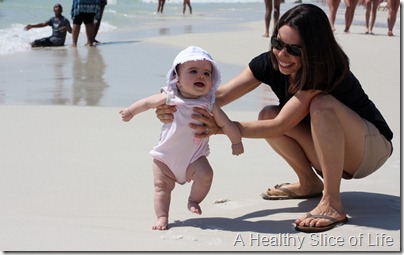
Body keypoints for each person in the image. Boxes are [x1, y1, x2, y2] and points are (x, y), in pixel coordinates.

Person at [155, 4, 393, 233]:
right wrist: (174, 103)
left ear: (314, 50)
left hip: (369, 149)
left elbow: (282, 126)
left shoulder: (323, 71)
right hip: (331, 149)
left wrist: (221, 129)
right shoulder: (271, 61)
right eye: (277, 43)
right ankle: (309, 183)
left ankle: (332, 202)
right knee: (267, 113)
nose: (282, 54)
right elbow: (220, 95)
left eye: (294, 50)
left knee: (321, 104)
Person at [120, 46, 244, 230]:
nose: (200, 76)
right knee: (161, 187)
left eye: (206, 73)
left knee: (206, 175)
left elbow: (226, 124)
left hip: (194, 159)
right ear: (177, 79)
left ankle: (194, 200)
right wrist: (130, 111)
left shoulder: (209, 105)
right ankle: (162, 217)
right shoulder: (168, 97)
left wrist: (236, 142)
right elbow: (146, 103)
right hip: (165, 158)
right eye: (193, 71)